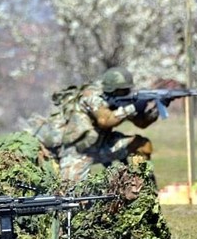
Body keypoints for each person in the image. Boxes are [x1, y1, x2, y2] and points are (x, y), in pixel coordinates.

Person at [29, 67, 159, 182]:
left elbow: (141, 123)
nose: (127, 93)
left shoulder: (119, 100)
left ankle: (143, 189)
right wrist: (132, 107)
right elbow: (105, 121)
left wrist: (154, 110)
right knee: (73, 197)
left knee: (142, 145)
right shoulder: (91, 95)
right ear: (113, 90)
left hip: (103, 145)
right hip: (78, 151)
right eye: (124, 90)